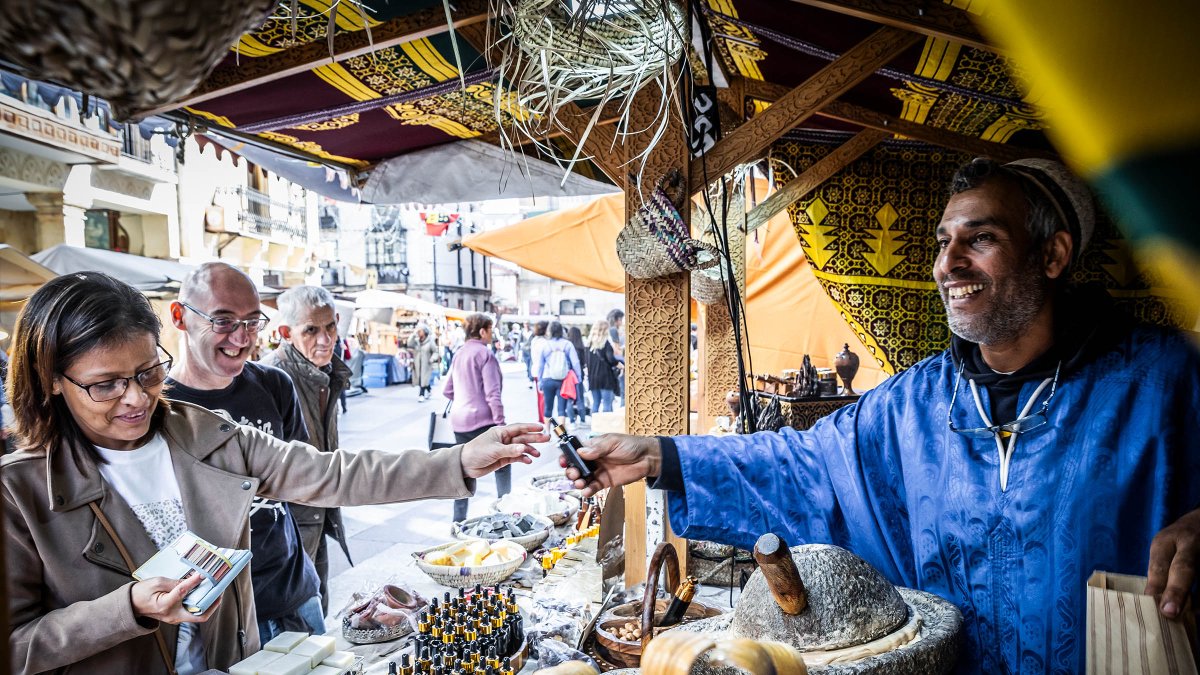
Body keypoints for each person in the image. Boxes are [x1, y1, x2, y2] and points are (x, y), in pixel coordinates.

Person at [564, 158, 1200, 675]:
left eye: (981, 238)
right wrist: (657, 455)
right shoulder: (915, 407)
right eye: (943, 242)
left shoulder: (1165, 383)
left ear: (1054, 255)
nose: (948, 264)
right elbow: (803, 466)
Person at [1, 271, 546, 674]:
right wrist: (129, 609)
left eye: (148, 372)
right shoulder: (19, 492)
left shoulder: (203, 432)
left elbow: (332, 474)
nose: (136, 398)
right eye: (106, 384)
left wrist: (457, 460)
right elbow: (17, 646)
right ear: (51, 379)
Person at [165, 263, 323, 645]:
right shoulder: (159, 409)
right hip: (216, 618)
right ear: (179, 316)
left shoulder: (274, 385)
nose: (242, 337)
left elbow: (308, 479)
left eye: (252, 322)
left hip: (295, 595)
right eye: (223, 321)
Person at [260, 285, 353, 615]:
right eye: (311, 331)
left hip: (319, 511)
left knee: (318, 607)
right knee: (300, 621)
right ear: (286, 333)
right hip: (287, 527)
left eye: (330, 327)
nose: (325, 339)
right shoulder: (271, 377)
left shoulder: (327, 373)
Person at [444, 313, 509, 522]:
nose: (492, 334)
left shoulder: (459, 353)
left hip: (459, 422)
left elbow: (447, 390)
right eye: (490, 330)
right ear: (482, 331)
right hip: (483, 420)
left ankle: (458, 520)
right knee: (503, 461)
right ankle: (504, 509)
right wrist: (501, 423)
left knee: (462, 471)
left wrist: (466, 396)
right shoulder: (485, 355)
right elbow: (493, 393)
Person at [533, 321, 581, 429]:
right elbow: (576, 362)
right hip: (563, 379)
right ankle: (561, 435)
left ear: (549, 331)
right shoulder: (567, 344)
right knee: (561, 409)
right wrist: (578, 377)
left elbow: (540, 365)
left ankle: (548, 433)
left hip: (547, 379)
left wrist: (540, 380)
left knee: (548, 407)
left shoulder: (545, 345)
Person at [585, 320, 620, 413]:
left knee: (595, 403)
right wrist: (619, 364)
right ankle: (606, 426)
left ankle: (595, 425)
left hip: (593, 378)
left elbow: (587, 362)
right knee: (607, 403)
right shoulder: (606, 343)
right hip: (605, 377)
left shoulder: (589, 344)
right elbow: (611, 359)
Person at [567, 326, 589, 426]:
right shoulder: (581, 347)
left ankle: (572, 421)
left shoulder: (567, 346)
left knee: (569, 398)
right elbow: (584, 363)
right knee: (580, 398)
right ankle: (582, 419)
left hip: (568, 377)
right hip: (579, 375)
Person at [408, 324, 437, 401]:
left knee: (423, 379)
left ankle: (421, 394)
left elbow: (435, 351)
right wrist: (413, 335)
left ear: (425, 332)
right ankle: (429, 390)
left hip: (427, 364)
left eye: (420, 331)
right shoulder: (416, 341)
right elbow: (409, 344)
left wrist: (432, 358)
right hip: (417, 364)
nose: (419, 332)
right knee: (421, 379)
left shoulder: (430, 341)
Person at [606, 309, 626, 404]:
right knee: (623, 392)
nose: (621, 322)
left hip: (611, 364)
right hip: (619, 363)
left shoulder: (608, 329)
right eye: (621, 319)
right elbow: (617, 349)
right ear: (617, 319)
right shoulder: (613, 330)